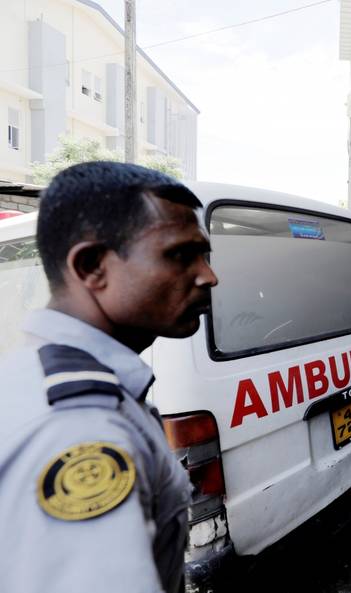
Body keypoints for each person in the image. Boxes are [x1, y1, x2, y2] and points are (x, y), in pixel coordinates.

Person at [0, 162, 219, 592]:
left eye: (205, 254)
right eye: (180, 254)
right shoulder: (77, 429)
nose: (209, 275)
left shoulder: (37, 377)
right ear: (91, 266)